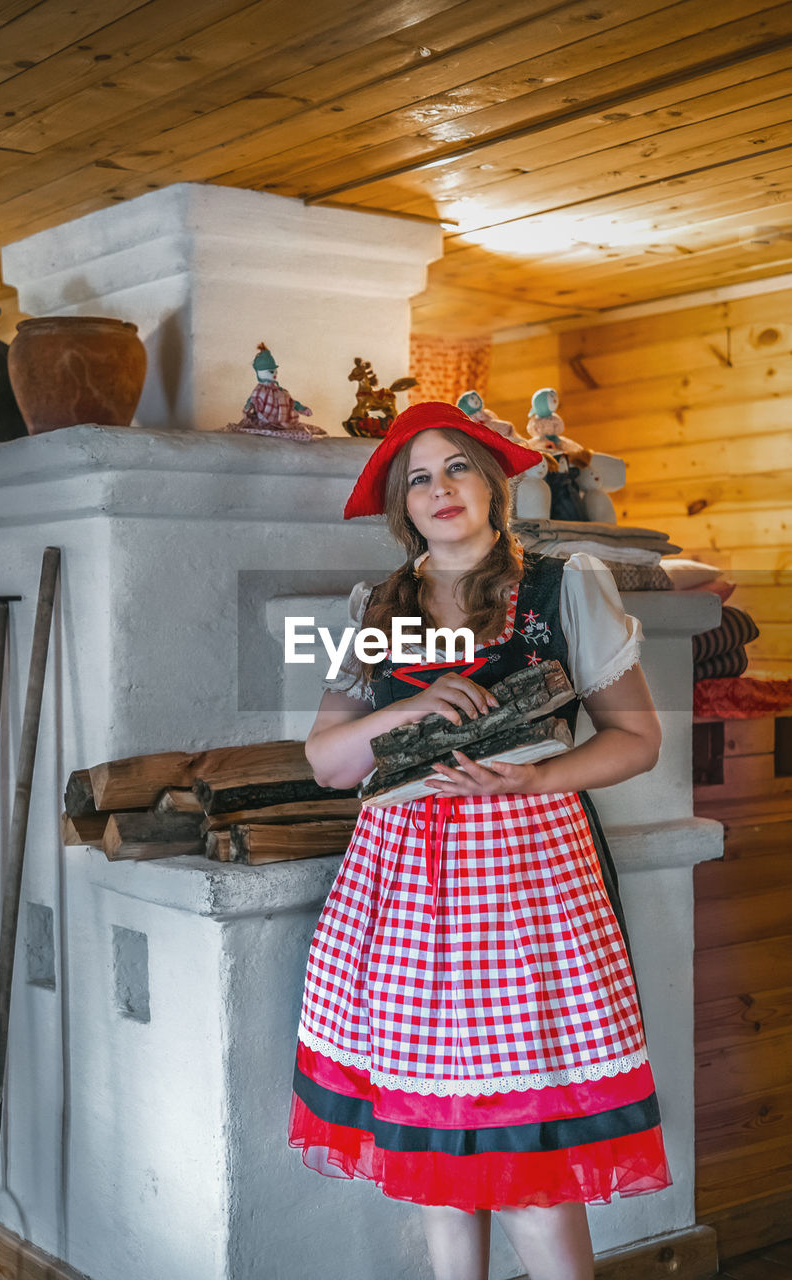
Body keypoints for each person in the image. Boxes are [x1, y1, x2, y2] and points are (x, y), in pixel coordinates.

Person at [289, 401, 671, 1280]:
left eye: (455, 467)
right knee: (437, 1161)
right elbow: (327, 764)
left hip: (527, 878)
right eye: (417, 478)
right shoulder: (377, 606)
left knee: (530, 1154)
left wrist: (536, 777)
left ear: (494, 485)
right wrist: (410, 705)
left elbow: (635, 740)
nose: (439, 489)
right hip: (400, 891)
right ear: (402, 506)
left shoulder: (561, 585)